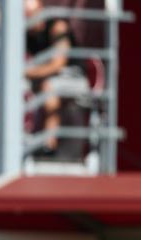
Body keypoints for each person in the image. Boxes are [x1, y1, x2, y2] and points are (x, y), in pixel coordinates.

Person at [24, 0, 89, 157]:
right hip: (44, 76)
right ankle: (22, 140)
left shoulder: (57, 27)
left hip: (73, 77)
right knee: (17, 87)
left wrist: (28, 72)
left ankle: (49, 144)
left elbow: (58, 64)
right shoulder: (26, 33)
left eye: (31, 14)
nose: (28, 18)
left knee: (49, 86)